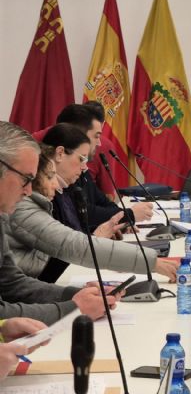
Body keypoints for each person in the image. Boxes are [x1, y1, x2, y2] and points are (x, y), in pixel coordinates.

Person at [0, 121, 121, 325]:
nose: (29, 191)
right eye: (26, 179)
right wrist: (72, 309)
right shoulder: (15, 210)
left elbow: (11, 284)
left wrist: (76, 296)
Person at [8, 144, 178, 282]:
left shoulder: (37, 204)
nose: (56, 184)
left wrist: (96, 236)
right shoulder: (22, 210)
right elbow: (73, 246)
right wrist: (151, 262)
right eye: (50, 176)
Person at [34, 104, 153, 230]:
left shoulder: (72, 175)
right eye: (96, 136)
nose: (100, 142)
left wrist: (117, 223)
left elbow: (99, 202)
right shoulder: (47, 191)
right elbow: (79, 221)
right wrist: (128, 216)